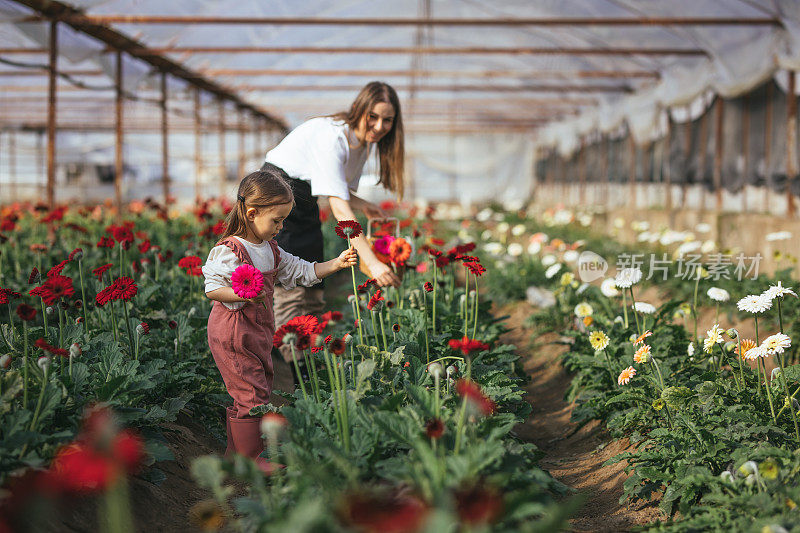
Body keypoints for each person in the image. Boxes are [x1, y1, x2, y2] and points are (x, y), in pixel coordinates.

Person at [202, 165, 357, 472]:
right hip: (233, 332)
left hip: (257, 330)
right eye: (276, 220)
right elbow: (212, 289)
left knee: (253, 387)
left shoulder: (271, 250)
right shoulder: (230, 250)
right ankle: (250, 459)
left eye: (283, 220)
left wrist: (336, 265)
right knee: (252, 391)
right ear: (251, 213)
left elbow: (302, 271)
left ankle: (238, 456)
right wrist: (242, 295)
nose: (280, 226)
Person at [263, 81, 405, 376]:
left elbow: (338, 190)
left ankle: (310, 349)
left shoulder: (362, 143)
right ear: (360, 110)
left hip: (303, 196)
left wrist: (364, 203)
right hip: (275, 192)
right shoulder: (333, 137)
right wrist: (374, 262)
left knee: (315, 272)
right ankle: (300, 369)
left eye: (387, 120)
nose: (379, 126)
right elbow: (339, 208)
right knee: (290, 277)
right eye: (373, 117)